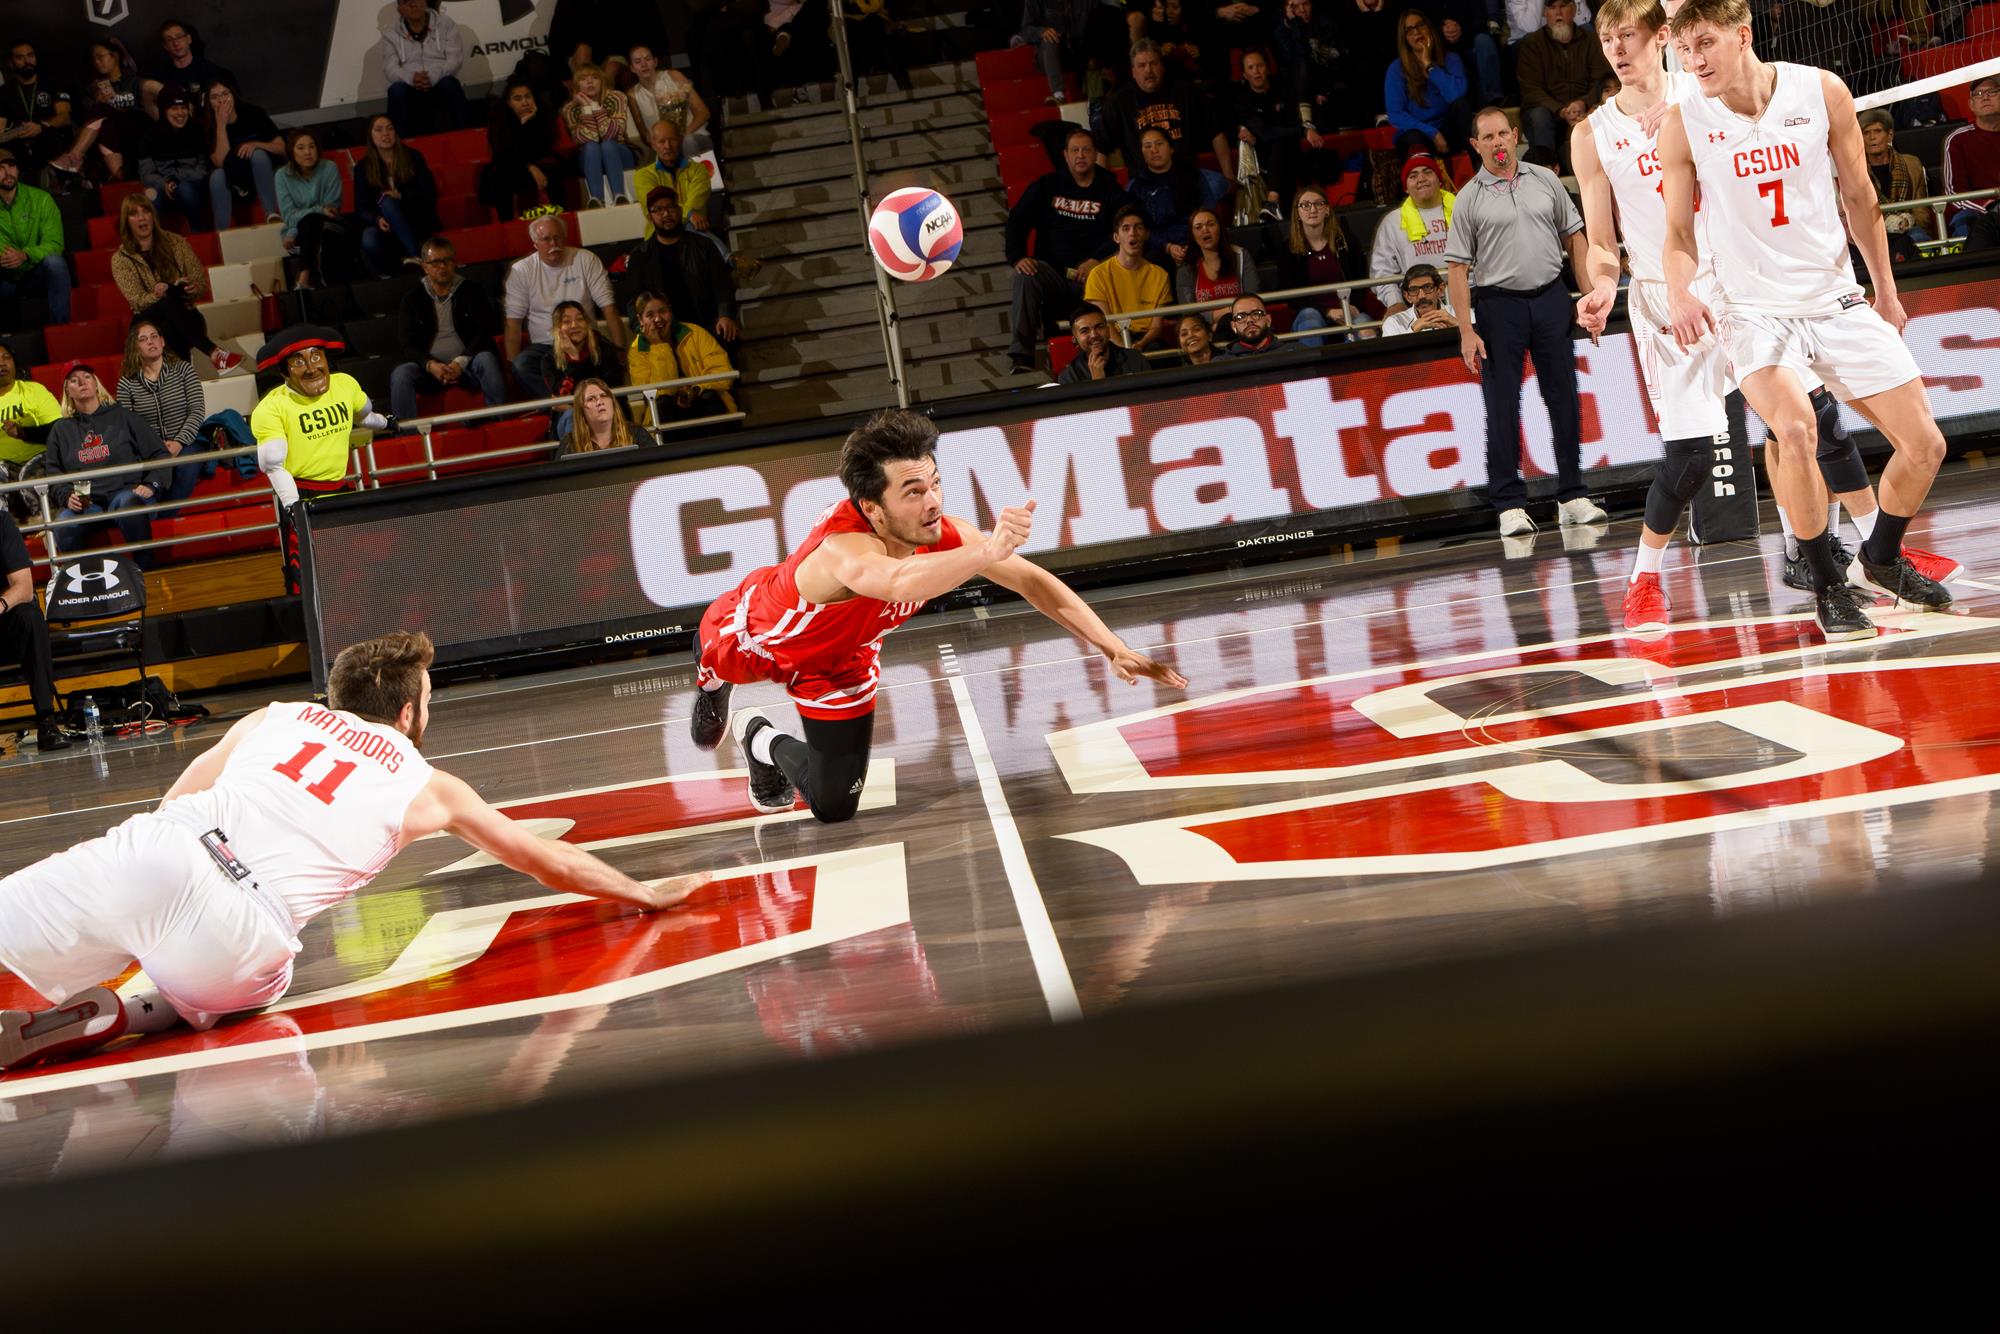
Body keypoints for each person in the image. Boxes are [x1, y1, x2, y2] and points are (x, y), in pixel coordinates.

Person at [0, 630, 710, 1071]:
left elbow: (174, 803)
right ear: (407, 713)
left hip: (166, 852)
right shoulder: (429, 783)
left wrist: (127, 919)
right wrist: (642, 893)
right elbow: (543, 860)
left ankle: (107, 978)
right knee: (232, 995)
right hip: (243, 936)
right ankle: (135, 1013)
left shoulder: (276, 716)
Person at [690, 409, 1187, 821]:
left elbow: (1031, 580)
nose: (933, 503)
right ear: (873, 508)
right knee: (713, 671)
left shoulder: (942, 532)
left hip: (843, 659)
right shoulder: (841, 550)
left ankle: (758, 737)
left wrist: (1112, 647)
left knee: (834, 805)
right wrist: (988, 552)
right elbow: (896, 582)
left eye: (935, 484)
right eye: (913, 491)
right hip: (755, 639)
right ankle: (711, 681)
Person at [1661, 0, 1952, 639]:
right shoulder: (1683, 122)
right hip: (1751, 309)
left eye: (1704, 44)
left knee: (1926, 445)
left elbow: (1860, 197)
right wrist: (1682, 293)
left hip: (1832, 296)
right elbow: (1678, 234)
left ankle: (1880, 558)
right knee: (1794, 432)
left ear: (1743, 36)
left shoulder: (1821, 90)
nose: (1694, 61)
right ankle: (1824, 581)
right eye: (1684, 51)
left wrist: (1886, 291)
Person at [1445, 106, 1603, 537]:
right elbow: (1457, 268)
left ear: (1515, 136)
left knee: (1565, 398)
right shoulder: (1467, 199)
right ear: (1475, 146)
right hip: (1499, 307)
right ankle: (1509, 504)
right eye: (1487, 137)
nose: (1497, 143)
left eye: (1502, 134)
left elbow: (1575, 236)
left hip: (1552, 298)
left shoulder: (1547, 180)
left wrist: (1588, 294)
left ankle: (1572, 494)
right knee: (1502, 406)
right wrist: (1465, 328)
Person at [248, 326, 396, 593]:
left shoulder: (345, 385)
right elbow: (274, 466)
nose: (310, 367)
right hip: (302, 494)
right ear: (284, 371)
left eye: (316, 356)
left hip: (340, 491)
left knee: (351, 571)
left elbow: (363, 416)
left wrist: (387, 423)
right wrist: (294, 507)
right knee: (308, 575)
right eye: (298, 361)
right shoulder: (271, 408)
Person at [1004, 125, 1132, 372]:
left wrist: (1097, 259)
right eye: (1075, 150)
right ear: (1065, 155)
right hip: (1054, 274)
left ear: (1096, 154)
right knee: (1025, 275)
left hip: (1096, 275)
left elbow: (1124, 230)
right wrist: (1018, 256)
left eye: (1086, 150)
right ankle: (1022, 356)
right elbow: (1017, 220)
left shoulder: (1112, 191)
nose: (1081, 155)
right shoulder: (1047, 186)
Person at [44, 362, 174, 569]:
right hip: (86, 502)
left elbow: (159, 453)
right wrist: (66, 496)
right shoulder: (61, 430)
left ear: (96, 384)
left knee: (129, 503)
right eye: (74, 380)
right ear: (67, 390)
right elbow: (52, 473)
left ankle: (147, 569)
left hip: (122, 493)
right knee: (63, 524)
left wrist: (152, 484)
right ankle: (82, 578)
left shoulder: (123, 416)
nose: (82, 383)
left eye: (87, 377)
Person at [109, 193, 241, 373]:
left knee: (169, 327)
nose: (141, 217)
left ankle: (181, 380)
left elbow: (199, 282)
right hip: (146, 322)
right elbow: (136, 300)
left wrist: (190, 288)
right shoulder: (120, 258)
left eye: (145, 211)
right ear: (127, 221)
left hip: (184, 315)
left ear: (152, 215)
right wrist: (162, 293)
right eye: (134, 214)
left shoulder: (177, 243)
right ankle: (214, 353)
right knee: (166, 305)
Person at [504, 214, 624, 400]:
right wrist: (511, 366)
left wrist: (620, 350)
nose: (554, 243)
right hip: (545, 346)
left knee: (610, 358)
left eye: (558, 237)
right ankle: (567, 403)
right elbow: (513, 324)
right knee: (521, 366)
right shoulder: (522, 271)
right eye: (546, 239)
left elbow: (609, 309)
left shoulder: (586, 260)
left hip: (587, 341)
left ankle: (589, 400)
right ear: (535, 243)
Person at [391, 235, 507, 422]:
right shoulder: (412, 299)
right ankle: (407, 437)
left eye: (447, 260)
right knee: (401, 374)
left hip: (468, 364)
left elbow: (485, 332)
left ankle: (500, 421)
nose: (443, 267)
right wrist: (430, 365)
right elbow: (407, 344)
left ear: (455, 262)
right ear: (425, 267)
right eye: (436, 262)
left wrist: (460, 362)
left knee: (486, 359)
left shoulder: (473, 291)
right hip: (431, 370)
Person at [621, 186, 741, 361]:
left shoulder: (704, 246)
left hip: (705, 324)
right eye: (658, 210)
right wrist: (642, 328)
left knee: (726, 335)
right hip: (662, 328)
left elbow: (722, 285)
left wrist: (725, 315)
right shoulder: (640, 256)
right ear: (650, 217)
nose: (666, 214)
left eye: (670, 207)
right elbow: (633, 300)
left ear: (679, 210)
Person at [115, 319, 218, 510]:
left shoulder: (184, 370)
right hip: (150, 449)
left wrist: (179, 442)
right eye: (144, 339)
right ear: (134, 347)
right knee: (151, 470)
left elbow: (196, 410)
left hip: (188, 441)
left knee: (186, 464)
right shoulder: (127, 383)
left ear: (162, 342)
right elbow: (128, 425)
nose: (151, 342)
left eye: (154, 337)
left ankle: (166, 516)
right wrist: (156, 447)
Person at [1103, 40, 1232, 181]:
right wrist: (1104, 195)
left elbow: (1217, 133)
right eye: (1141, 65)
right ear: (1133, 72)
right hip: (1144, 184)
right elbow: (1101, 148)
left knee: (1219, 184)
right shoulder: (1119, 102)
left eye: (1153, 63)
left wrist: (1228, 176)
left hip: (1187, 178)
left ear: (1162, 66)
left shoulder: (1186, 92)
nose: (1148, 70)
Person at [0, 509, 68, 752]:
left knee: (30, 618)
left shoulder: (1, 521)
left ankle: (47, 722)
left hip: (4, 617)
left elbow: (24, 588)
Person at [1517, 0, 1613, 171]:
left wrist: (1583, 103)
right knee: (1539, 117)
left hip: (1584, 108)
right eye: (1552, 8)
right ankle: (1546, 175)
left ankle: (1600, 172)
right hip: (1548, 112)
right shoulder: (1532, 43)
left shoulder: (1591, 40)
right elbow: (1531, 89)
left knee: (1604, 106)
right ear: (1544, 13)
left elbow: (1600, 79)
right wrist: (1560, 110)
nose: (1558, 12)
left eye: (1563, 6)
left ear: (1574, 9)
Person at [626, 289, 737, 428]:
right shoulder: (637, 350)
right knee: (663, 404)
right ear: (640, 320)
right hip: (668, 412)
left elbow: (723, 372)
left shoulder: (694, 333)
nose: (658, 319)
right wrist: (659, 346)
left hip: (700, 401)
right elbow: (656, 393)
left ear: (670, 312)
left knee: (710, 397)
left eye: (662, 311)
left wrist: (695, 389)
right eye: (650, 315)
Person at [477, 77, 574, 222]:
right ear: (509, 102)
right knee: (500, 176)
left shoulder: (543, 115)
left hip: (540, 161)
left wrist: (529, 124)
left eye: (528, 96)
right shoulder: (499, 119)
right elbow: (503, 154)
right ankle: (507, 223)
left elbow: (542, 150)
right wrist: (529, 167)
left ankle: (562, 219)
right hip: (510, 166)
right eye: (518, 98)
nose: (525, 102)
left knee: (553, 169)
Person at [1128, 126, 1227, 266]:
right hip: (1159, 249)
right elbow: (1140, 228)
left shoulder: (1193, 177)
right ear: (1142, 153)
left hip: (1196, 242)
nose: (1154, 150)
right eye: (1148, 146)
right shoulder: (1137, 187)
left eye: (1159, 144)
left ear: (1171, 149)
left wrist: (1191, 244)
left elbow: (1208, 213)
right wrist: (1168, 247)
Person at [1369, 152, 1455, 314]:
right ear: (1406, 188)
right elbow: (1381, 272)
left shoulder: (1464, 211)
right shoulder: (1392, 222)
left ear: (1440, 180)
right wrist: (1394, 302)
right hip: (1417, 303)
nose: (1421, 179)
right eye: (1413, 175)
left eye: (1427, 172)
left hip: (1469, 295)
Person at [354, 115, 439, 274]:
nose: (385, 133)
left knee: (388, 201)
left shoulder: (413, 156)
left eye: (390, 128)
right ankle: (397, 270)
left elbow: (429, 193)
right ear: (370, 136)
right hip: (387, 225)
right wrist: (377, 219)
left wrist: (400, 196)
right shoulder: (363, 167)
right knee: (368, 237)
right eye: (379, 130)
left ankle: (415, 256)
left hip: (415, 217)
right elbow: (361, 207)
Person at [1227, 48, 1303, 221]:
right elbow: (1265, 133)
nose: (1256, 71)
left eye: (1260, 66)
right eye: (1251, 68)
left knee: (1281, 142)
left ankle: (1273, 202)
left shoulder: (1283, 89)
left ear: (1267, 68)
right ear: (1245, 74)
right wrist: (1301, 131)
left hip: (1291, 150)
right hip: (1264, 156)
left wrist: (1297, 131)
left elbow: (1291, 126)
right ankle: (1274, 204)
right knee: (1278, 143)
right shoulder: (1242, 100)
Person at [1082, 206, 1173, 351]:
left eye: (1138, 228)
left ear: (1147, 234)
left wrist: (1140, 345)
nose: (1132, 233)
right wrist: (1127, 352)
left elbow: (1156, 327)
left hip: (1146, 340)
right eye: (1126, 228)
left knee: (1158, 350)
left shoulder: (1160, 275)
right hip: (1113, 338)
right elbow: (1104, 324)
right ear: (1116, 237)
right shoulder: (1098, 274)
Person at [1386, 9, 1474, 157]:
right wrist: (1432, 133)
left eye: (1420, 25)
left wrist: (1430, 66)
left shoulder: (1452, 59)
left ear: (1429, 28)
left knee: (1462, 107)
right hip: (1418, 132)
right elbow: (1396, 114)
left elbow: (1457, 96)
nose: (1416, 32)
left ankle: (1481, 170)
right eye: (1409, 30)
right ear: (1405, 38)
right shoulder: (1396, 69)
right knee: (1413, 138)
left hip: (1449, 129)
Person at [275, 129, 355, 291]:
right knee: (311, 220)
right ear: (292, 152)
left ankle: (304, 275)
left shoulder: (329, 168)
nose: (308, 152)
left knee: (313, 222)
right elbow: (289, 215)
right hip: (302, 234)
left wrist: (292, 231)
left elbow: (332, 209)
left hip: (330, 227)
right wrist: (317, 210)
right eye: (301, 147)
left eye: (312, 147)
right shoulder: (282, 176)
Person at [0, 149, 72, 323]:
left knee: (56, 263)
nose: (8, 172)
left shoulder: (41, 199)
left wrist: (25, 254)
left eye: (12, 166)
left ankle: (62, 330)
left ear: (18, 170)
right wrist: (6, 257)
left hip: (34, 272)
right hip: (3, 275)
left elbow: (55, 243)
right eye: (1, 168)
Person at [380, 0, 471, 136]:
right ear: (399, 9)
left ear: (425, 2)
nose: (412, 5)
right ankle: (401, 148)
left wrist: (433, 76)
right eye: (406, 2)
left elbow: (455, 59)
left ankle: (465, 136)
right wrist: (411, 78)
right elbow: (390, 69)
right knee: (396, 91)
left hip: (439, 79)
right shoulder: (390, 35)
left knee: (450, 84)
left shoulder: (446, 24)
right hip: (411, 84)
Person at [1276, 183, 1351, 346]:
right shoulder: (1288, 249)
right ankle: (1314, 372)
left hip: (1347, 308)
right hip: (1310, 312)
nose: (1312, 209)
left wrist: (1353, 307)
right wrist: (1327, 311)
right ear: (1297, 212)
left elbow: (1361, 279)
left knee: (1365, 326)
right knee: (1311, 322)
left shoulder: (1344, 241)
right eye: (1305, 205)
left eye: (1318, 203)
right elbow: (1292, 296)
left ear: (1327, 210)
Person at [540, 299, 625, 436]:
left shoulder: (604, 350)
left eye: (580, 319)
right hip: (569, 420)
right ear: (557, 329)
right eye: (566, 321)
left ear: (587, 324)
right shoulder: (549, 360)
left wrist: (578, 406)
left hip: (607, 413)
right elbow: (561, 398)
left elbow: (612, 392)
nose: (574, 325)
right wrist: (574, 359)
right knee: (572, 416)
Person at [204, 82, 283, 228]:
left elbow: (281, 147)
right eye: (215, 97)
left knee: (258, 154)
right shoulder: (209, 126)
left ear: (233, 95)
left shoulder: (253, 113)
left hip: (261, 174)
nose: (222, 100)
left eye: (225, 93)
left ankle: (272, 214)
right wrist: (221, 125)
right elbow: (221, 162)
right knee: (217, 176)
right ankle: (221, 234)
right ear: (209, 103)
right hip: (235, 181)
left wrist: (256, 144)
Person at [562, 63, 637, 209]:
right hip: (590, 159)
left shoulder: (616, 97)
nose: (590, 82)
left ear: (602, 81)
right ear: (577, 86)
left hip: (619, 152)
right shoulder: (570, 109)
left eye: (595, 77)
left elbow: (612, 133)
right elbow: (586, 139)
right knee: (591, 146)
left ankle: (619, 196)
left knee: (608, 144)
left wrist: (594, 107)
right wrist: (586, 107)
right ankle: (596, 200)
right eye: (584, 79)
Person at [137, 89, 213, 232]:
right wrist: (164, 183)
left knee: (184, 188)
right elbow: (146, 173)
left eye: (183, 108)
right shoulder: (150, 136)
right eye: (174, 108)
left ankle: (200, 234)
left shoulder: (198, 130)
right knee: (150, 197)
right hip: (163, 187)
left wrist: (177, 181)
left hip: (193, 186)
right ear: (163, 111)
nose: (180, 113)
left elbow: (204, 168)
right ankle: (154, 244)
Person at [0, 42, 74, 183]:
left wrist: (41, 126)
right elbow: (0, 130)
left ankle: (56, 177)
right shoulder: (4, 92)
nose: (27, 61)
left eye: (30, 56)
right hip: (19, 143)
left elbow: (64, 116)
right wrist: (15, 132)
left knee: (50, 133)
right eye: (20, 57)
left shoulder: (54, 83)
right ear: (11, 63)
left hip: (50, 136)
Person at [634, 119, 715, 244]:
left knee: (691, 230)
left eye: (672, 140)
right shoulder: (642, 176)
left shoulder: (699, 170)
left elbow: (696, 203)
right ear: (653, 144)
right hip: (660, 236)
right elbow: (656, 208)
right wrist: (689, 214)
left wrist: (689, 215)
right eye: (662, 141)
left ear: (680, 140)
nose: (667, 146)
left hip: (693, 231)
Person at [1175, 207, 1258, 327]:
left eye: (1211, 224)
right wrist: (1216, 317)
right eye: (1198, 227)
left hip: (1243, 322)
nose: (1205, 230)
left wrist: (1227, 316)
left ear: (1220, 227)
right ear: (1192, 235)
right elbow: (1189, 313)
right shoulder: (1186, 269)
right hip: (1205, 328)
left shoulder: (1241, 256)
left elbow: (1252, 298)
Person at [1942, 74, 2000, 243]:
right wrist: (1989, 205)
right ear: (1971, 105)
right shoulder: (1957, 140)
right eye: (1979, 94)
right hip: (1977, 214)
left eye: (1992, 91)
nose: (1986, 97)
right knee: (1964, 222)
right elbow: (1954, 195)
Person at [139, 18, 236, 117]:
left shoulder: (209, 70)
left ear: (189, 39)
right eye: (170, 40)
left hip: (203, 122)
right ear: (165, 46)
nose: (176, 43)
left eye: (179, 37)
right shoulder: (161, 75)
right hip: (175, 123)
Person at [626, 44, 712, 155]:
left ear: (655, 62)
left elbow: (704, 113)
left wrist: (682, 135)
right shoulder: (633, 95)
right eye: (638, 62)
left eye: (648, 59)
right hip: (665, 148)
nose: (644, 64)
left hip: (693, 136)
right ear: (632, 68)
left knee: (687, 142)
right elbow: (644, 134)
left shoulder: (674, 76)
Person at [1431, 0, 1506, 107]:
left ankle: (1494, 98)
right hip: (1441, 49)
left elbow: (1482, 23)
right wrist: (1442, 30)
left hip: (1470, 44)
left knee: (1484, 41)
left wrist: (1460, 29)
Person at [0, 340, 61, 470]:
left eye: (6, 357)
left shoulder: (34, 391)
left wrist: (23, 432)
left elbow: (59, 430)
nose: (2, 363)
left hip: (39, 461)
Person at [1057, 301, 1152, 382]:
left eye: (1099, 327)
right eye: (1085, 331)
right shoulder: (1069, 377)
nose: (1094, 335)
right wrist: (1098, 382)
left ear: (1108, 331)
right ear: (1075, 340)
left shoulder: (1135, 359)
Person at [558, 378, 639, 457]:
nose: (600, 402)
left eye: (603, 396)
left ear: (613, 403)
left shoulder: (635, 433)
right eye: (591, 399)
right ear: (581, 410)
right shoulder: (569, 443)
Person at [1381, 261, 1458, 334]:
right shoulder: (1394, 323)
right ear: (1407, 296)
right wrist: (1414, 329)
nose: (1421, 296)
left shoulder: (1462, 314)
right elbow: (1394, 348)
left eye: (1427, 287)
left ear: (1440, 290)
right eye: (1414, 290)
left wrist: (1458, 326)